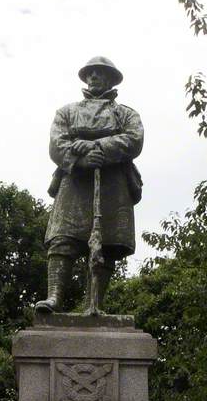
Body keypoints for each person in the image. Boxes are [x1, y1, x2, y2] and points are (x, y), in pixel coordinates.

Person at [36, 56, 144, 314]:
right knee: (63, 239)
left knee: (106, 244)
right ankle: (54, 297)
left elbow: (134, 139)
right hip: (74, 181)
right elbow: (56, 143)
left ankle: (94, 303)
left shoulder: (126, 113)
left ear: (110, 78)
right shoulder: (67, 112)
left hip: (114, 184)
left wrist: (99, 147)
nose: (94, 76)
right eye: (91, 73)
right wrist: (81, 159)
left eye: (100, 73)